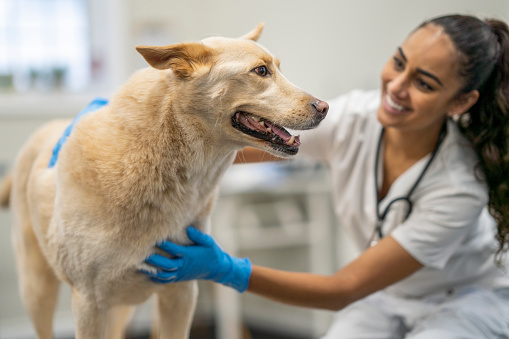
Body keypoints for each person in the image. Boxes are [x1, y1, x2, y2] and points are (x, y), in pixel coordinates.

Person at [142, 14, 509, 338]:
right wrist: (144, 140)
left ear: (461, 103)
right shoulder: (356, 117)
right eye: (399, 62)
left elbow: (342, 289)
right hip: (386, 298)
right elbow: (233, 145)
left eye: (424, 84)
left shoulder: (458, 187)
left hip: (465, 301)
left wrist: (226, 270)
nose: (396, 86)